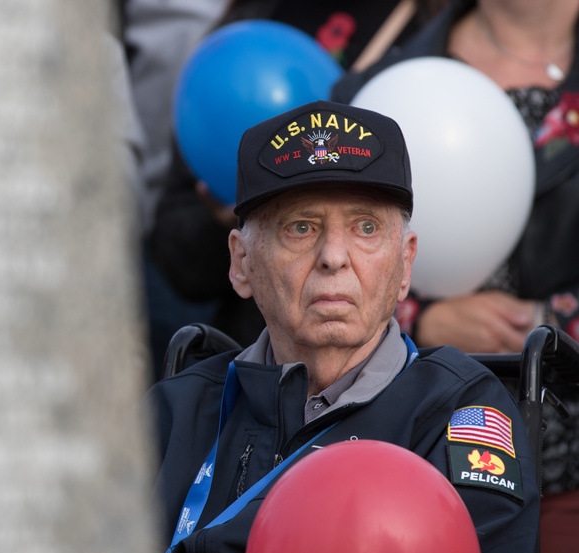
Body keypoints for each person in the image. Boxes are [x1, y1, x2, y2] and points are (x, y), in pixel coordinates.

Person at [148, 100, 539, 553]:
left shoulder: (456, 415)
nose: (334, 257)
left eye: (364, 227)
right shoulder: (176, 409)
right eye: (300, 227)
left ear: (405, 264)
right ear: (241, 264)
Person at [332, 0, 579, 553]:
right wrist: (420, 315)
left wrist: (547, 321)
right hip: (403, 467)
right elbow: (317, 266)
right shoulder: (377, 88)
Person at [145, 0, 444, 348]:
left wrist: (422, 317)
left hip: (398, 366)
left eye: (365, 227)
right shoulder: (247, 27)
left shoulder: (437, 35)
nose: (333, 257)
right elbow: (177, 256)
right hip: (260, 351)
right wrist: (238, 223)